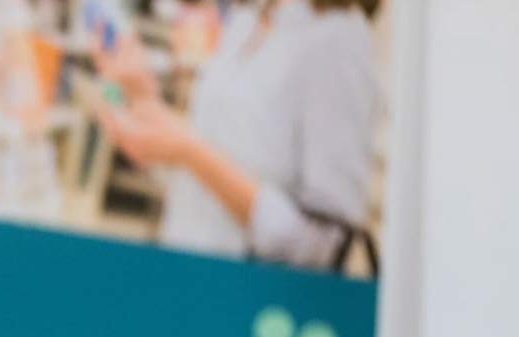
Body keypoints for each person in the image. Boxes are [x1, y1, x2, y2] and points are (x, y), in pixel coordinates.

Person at [92, 0, 380, 269]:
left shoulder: (339, 43)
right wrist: (143, 99)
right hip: (186, 275)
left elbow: (324, 243)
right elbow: (211, 174)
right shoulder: (247, 23)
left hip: (249, 303)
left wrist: (190, 152)